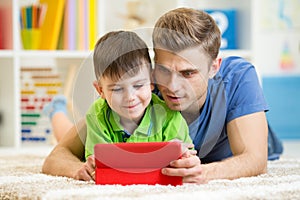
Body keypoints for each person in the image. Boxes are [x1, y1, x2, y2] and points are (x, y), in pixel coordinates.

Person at [42, 8, 283, 183]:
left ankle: (58, 108)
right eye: (164, 70)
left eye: (188, 73)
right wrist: (78, 169)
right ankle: (58, 110)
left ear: (214, 67)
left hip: (255, 140)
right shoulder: (142, 87)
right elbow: (60, 154)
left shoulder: (238, 77)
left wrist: (203, 172)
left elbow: (255, 159)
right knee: (78, 136)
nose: (172, 86)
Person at [84, 30, 192, 159]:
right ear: (100, 90)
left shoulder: (169, 117)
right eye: (117, 89)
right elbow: (99, 164)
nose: (130, 97)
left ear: (152, 81)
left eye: (138, 86)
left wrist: (183, 157)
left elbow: (186, 161)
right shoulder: (97, 115)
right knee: (64, 134)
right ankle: (58, 110)